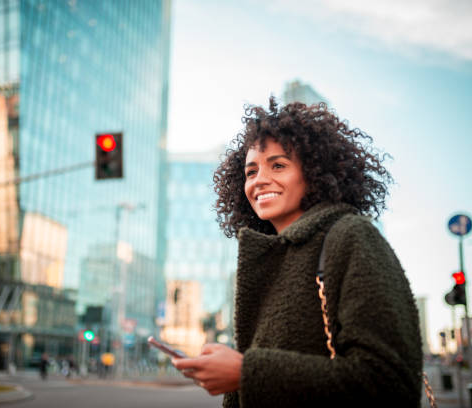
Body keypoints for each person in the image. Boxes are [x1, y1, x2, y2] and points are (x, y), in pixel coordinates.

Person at [172, 98, 423, 407]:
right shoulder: (271, 257)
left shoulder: (350, 236)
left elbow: (389, 382)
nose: (259, 180)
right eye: (251, 172)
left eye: (278, 165)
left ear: (316, 172)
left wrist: (245, 371)